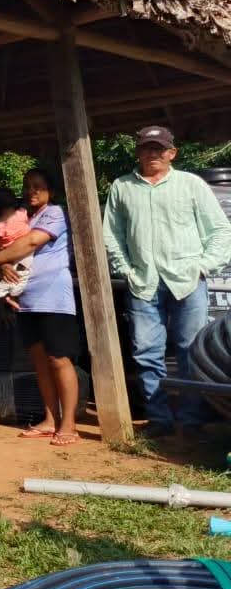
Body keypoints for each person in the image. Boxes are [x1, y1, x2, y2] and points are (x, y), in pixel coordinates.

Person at [103, 125, 231, 437]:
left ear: (172, 153)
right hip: (143, 282)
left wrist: (203, 266)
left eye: (159, 149)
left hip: (188, 281)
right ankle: (159, 420)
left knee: (191, 350)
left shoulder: (191, 185)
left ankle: (190, 422)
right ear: (138, 153)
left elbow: (220, 230)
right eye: (147, 148)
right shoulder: (122, 187)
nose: (152, 154)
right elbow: (112, 235)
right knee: (146, 352)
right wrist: (127, 270)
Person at [0, 169, 79, 446]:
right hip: (24, 298)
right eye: (27, 186)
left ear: (51, 190)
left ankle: (69, 425)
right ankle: (50, 419)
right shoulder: (22, 218)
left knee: (59, 359)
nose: (31, 191)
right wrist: (2, 271)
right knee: (40, 361)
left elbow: (29, 243)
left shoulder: (55, 213)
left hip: (53, 297)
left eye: (38, 186)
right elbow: (12, 254)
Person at [0, 187, 33, 299]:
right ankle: (14, 290)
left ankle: (6, 290)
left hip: (9, 256)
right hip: (27, 251)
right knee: (23, 272)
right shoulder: (22, 213)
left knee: (13, 275)